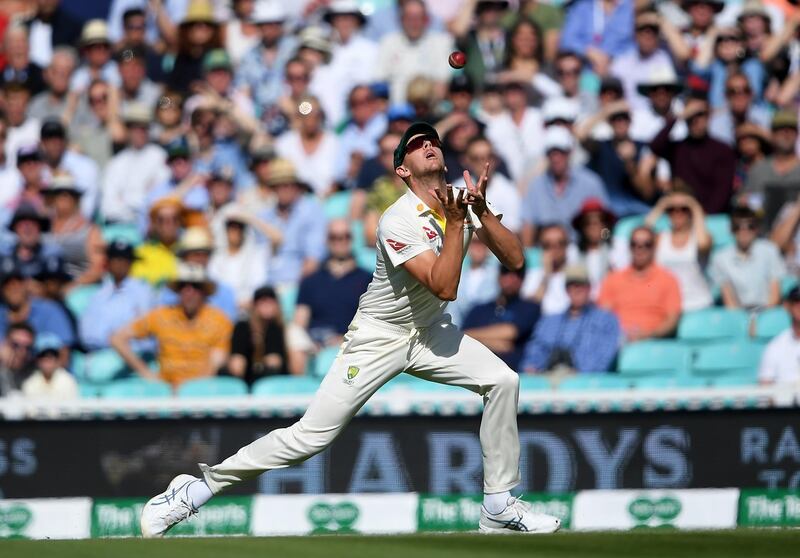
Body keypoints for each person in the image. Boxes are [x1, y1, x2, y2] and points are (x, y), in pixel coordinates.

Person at [140, 122, 560, 536]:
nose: (428, 145)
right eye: (416, 144)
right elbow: (445, 285)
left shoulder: (461, 204)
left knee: (503, 380)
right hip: (379, 336)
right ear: (403, 170)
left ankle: (498, 506)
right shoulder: (397, 220)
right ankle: (195, 490)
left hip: (430, 330)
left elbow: (516, 259)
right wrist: (457, 221)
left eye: (433, 140)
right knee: (309, 438)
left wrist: (481, 212)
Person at [111, 262, 233, 388]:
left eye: (195, 286)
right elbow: (117, 338)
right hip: (165, 390)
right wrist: (146, 373)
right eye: (183, 286)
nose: (189, 291)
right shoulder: (162, 316)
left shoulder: (219, 320)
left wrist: (189, 391)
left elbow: (215, 364)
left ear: (204, 292)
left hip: (201, 392)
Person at [289, 219, 372, 373]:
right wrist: (314, 344)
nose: (340, 241)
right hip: (316, 342)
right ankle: (300, 386)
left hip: (351, 341)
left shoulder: (368, 280)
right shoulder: (311, 281)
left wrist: (344, 338)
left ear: (351, 239)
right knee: (293, 333)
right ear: (327, 240)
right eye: (334, 237)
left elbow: (372, 321)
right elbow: (300, 322)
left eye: (345, 236)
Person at [520, 264, 620, 374]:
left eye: (581, 285)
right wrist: (533, 367)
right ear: (566, 289)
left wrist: (576, 372)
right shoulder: (549, 322)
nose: (577, 289)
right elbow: (533, 354)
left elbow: (604, 358)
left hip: (585, 384)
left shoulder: (606, 320)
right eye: (572, 285)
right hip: (548, 382)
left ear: (589, 288)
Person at [521, 126, 608, 245]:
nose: (556, 158)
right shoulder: (536, 186)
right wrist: (529, 258)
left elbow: (604, 222)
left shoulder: (590, 183)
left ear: (570, 153)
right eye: (552, 153)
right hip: (547, 251)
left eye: (561, 152)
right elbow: (528, 225)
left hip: (583, 249)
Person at [649, 98, 737, 214]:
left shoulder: (723, 150)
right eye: (691, 116)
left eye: (700, 115)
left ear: (709, 117)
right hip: (681, 214)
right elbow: (656, 146)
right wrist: (678, 117)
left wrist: (704, 216)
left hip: (712, 217)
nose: (695, 120)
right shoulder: (677, 148)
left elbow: (722, 191)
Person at [598, 226, 682, 341]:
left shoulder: (668, 279)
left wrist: (648, 335)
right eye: (634, 244)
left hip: (653, 342)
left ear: (654, 247)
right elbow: (603, 316)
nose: (639, 248)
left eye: (646, 244)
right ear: (629, 247)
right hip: (618, 340)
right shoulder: (612, 279)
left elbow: (672, 320)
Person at [259, 159, 327, 287]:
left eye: (288, 184)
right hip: (266, 285)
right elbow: (258, 258)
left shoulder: (311, 211)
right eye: (278, 185)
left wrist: (294, 290)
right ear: (273, 189)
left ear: (297, 186)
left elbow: (313, 260)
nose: (284, 189)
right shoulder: (264, 216)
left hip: (298, 283)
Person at [100, 103, 169, 224]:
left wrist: (124, 200)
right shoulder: (116, 162)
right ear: (128, 129)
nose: (139, 132)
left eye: (143, 127)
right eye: (134, 127)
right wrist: (140, 202)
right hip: (119, 226)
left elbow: (159, 201)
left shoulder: (160, 157)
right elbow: (107, 207)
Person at [463, 262, 540, 372]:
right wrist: (494, 343)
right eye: (506, 273)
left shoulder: (529, 307)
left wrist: (477, 339)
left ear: (523, 279)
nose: (510, 278)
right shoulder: (479, 309)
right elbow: (463, 336)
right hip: (475, 372)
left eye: (517, 274)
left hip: (512, 373)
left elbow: (511, 332)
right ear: (499, 276)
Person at [80, 239, 154, 353]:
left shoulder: (143, 291)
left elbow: (146, 335)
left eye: (125, 259)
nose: (121, 263)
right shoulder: (99, 293)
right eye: (116, 259)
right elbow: (88, 335)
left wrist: (116, 341)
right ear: (108, 262)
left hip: (132, 355)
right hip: (97, 354)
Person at [374, 0, 453, 104]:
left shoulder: (442, 43)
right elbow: (379, 80)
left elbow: (442, 84)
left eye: (418, 18)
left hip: (430, 110)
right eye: (410, 18)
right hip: (398, 112)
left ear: (426, 20)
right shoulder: (388, 43)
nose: (414, 23)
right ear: (401, 20)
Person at [646, 192, 714, 311]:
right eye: (672, 209)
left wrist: (694, 206)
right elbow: (642, 235)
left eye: (684, 209)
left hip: (698, 304)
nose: (677, 213)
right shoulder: (660, 238)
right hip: (667, 305)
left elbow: (703, 245)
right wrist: (661, 206)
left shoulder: (700, 237)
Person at [710, 206, 784, 309]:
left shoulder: (770, 250)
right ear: (731, 230)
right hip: (738, 315)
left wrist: (762, 319)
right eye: (738, 227)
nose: (744, 231)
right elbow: (729, 301)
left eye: (750, 226)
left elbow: (774, 296)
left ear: (757, 229)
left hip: (768, 313)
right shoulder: (720, 258)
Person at [228, 285, 292, 385]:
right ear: (254, 305)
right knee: (236, 364)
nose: (266, 306)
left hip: (271, 378)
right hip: (246, 377)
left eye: (270, 302)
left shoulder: (278, 328)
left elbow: (275, 362)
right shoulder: (242, 327)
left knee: (272, 364)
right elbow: (237, 362)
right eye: (262, 302)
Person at [744, 111, 800, 197]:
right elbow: (743, 201)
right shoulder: (758, 170)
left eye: (791, 129)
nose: (786, 134)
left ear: (797, 134)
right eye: (781, 129)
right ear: (772, 135)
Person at [521, 223, 573, 315]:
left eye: (560, 243)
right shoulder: (531, 276)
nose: (555, 248)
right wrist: (546, 275)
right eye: (547, 245)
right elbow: (528, 309)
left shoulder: (576, 274)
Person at [571, 198, 617, 290]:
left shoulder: (616, 249)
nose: (593, 227)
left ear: (605, 225)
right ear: (582, 227)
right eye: (588, 223)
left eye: (598, 222)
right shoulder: (573, 252)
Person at [758, 286, 800, 386]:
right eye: (796, 301)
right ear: (787, 306)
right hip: (785, 400)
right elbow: (765, 386)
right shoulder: (775, 346)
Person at [20, 332, 78, 399]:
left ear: (58, 358)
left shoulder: (68, 381)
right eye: (43, 355)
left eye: (52, 355)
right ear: (37, 359)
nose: (47, 359)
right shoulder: (29, 383)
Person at [0, 321, 35, 396]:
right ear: (4, 344)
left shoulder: (36, 373)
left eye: (27, 347)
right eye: (15, 345)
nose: (21, 352)